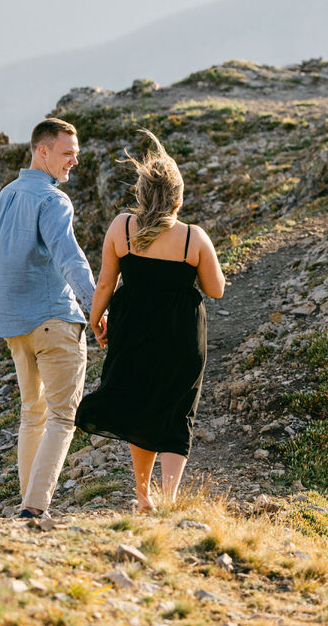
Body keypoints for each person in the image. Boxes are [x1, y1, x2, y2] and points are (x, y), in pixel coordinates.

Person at [74, 131, 225, 510]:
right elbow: (216, 289)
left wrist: (96, 321)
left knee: (141, 404)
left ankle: (143, 496)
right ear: (178, 195)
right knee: (177, 410)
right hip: (181, 335)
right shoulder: (194, 238)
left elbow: (106, 282)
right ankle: (169, 497)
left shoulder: (123, 228)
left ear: (142, 191)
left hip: (133, 329)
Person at [0, 117, 95, 519]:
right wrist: (97, 309)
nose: (73, 162)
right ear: (42, 150)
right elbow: (70, 258)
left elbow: (1, 260)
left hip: (15, 326)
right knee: (63, 415)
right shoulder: (53, 200)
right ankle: (34, 508)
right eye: (67, 153)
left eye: (76, 154)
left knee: (32, 414)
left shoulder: (6, 196)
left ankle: (26, 504)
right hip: (55, 319)